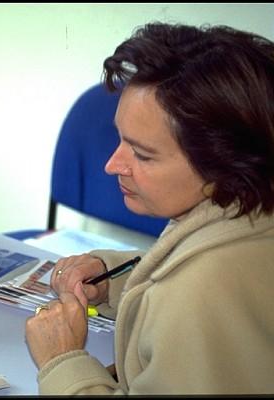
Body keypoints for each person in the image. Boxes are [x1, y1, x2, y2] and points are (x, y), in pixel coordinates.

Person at [25, 22, 274, 395]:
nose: (112, 164)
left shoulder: (198, 297)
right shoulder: (249, 209)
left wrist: (62, 361)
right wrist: (117, 279)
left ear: (223, 164)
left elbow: (194, 296)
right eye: (121, 139)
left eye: (142, 154)